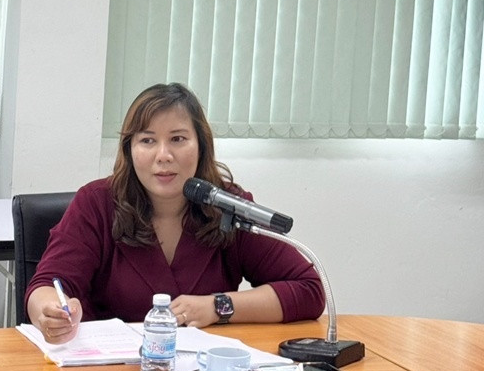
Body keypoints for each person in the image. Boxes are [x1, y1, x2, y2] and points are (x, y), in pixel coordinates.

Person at [25, 82, 325, 344]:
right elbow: (46, 287)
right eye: (147, 140)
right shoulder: (97, 203)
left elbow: (309, 290)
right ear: (130, 149)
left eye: (178, 139)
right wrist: (51, 313)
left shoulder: (226, 205)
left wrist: (218, 307)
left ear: (201, 145)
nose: (164, 156)